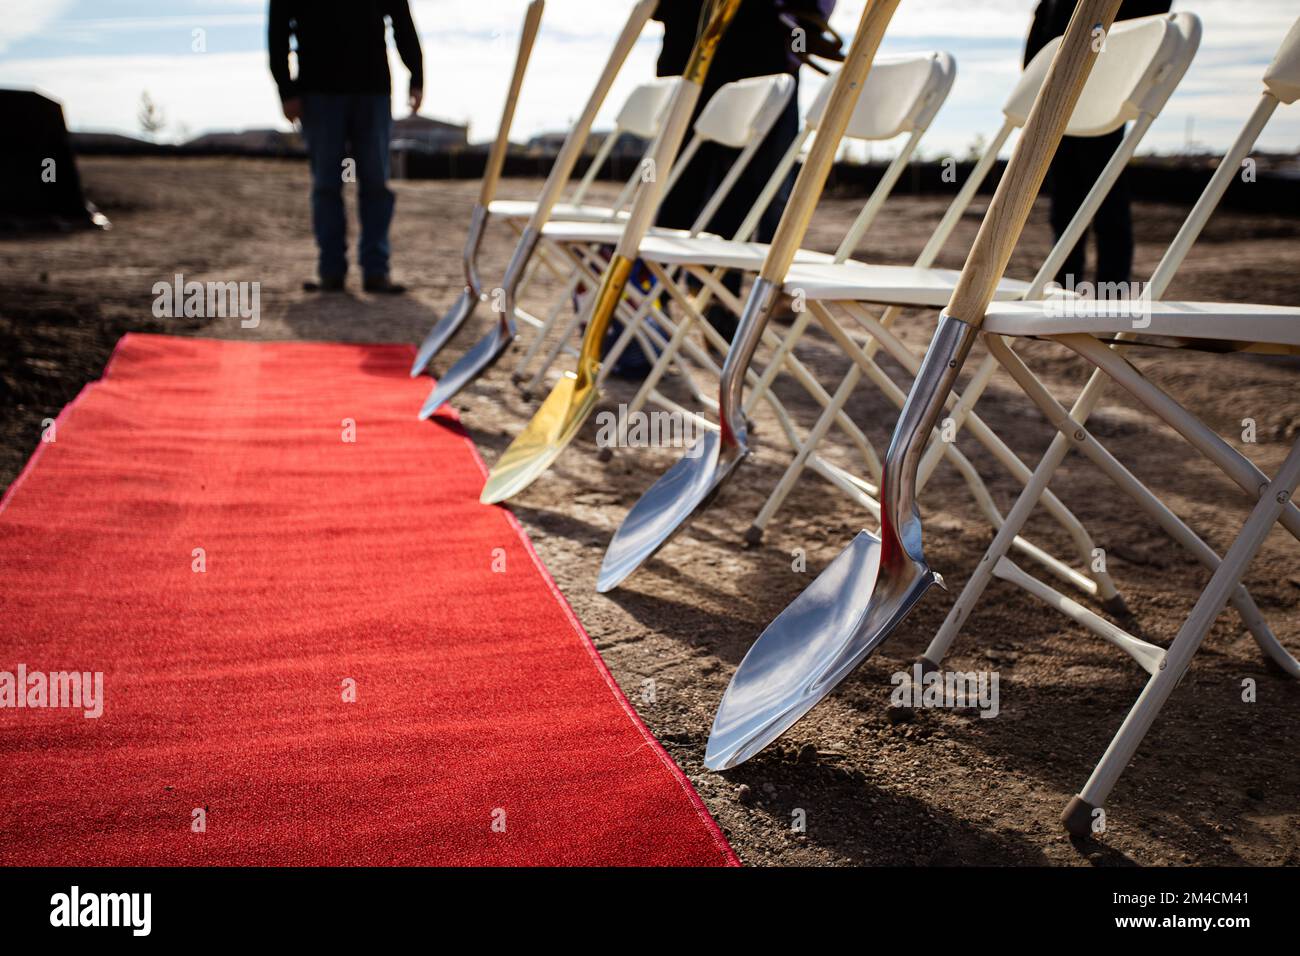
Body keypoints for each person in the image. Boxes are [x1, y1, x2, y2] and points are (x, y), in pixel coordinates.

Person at [600, 0, 836, 375]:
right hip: (693, 40)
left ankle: (717, 303)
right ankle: (645, 316)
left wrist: (807, 14)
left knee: (746, 195)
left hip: (765, 46)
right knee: (674, 189)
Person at [268, 1, 424, 294]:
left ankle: (376, 272)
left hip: (372, 89)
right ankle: (331, 272)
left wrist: (416, 74)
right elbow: (277, 30)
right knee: (326, 184)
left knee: (376, 183)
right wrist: (285, 89)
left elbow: (402, 19)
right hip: (318, 91)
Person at [1025, 0, 1172, 289]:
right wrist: (1039, 88)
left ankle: (1111, 290)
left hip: (1107, 96)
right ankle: (1065, 286)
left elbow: (1151, 21)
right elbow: (1036, 52)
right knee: (1065, 205)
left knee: (1107, 199)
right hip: (1058, 107)